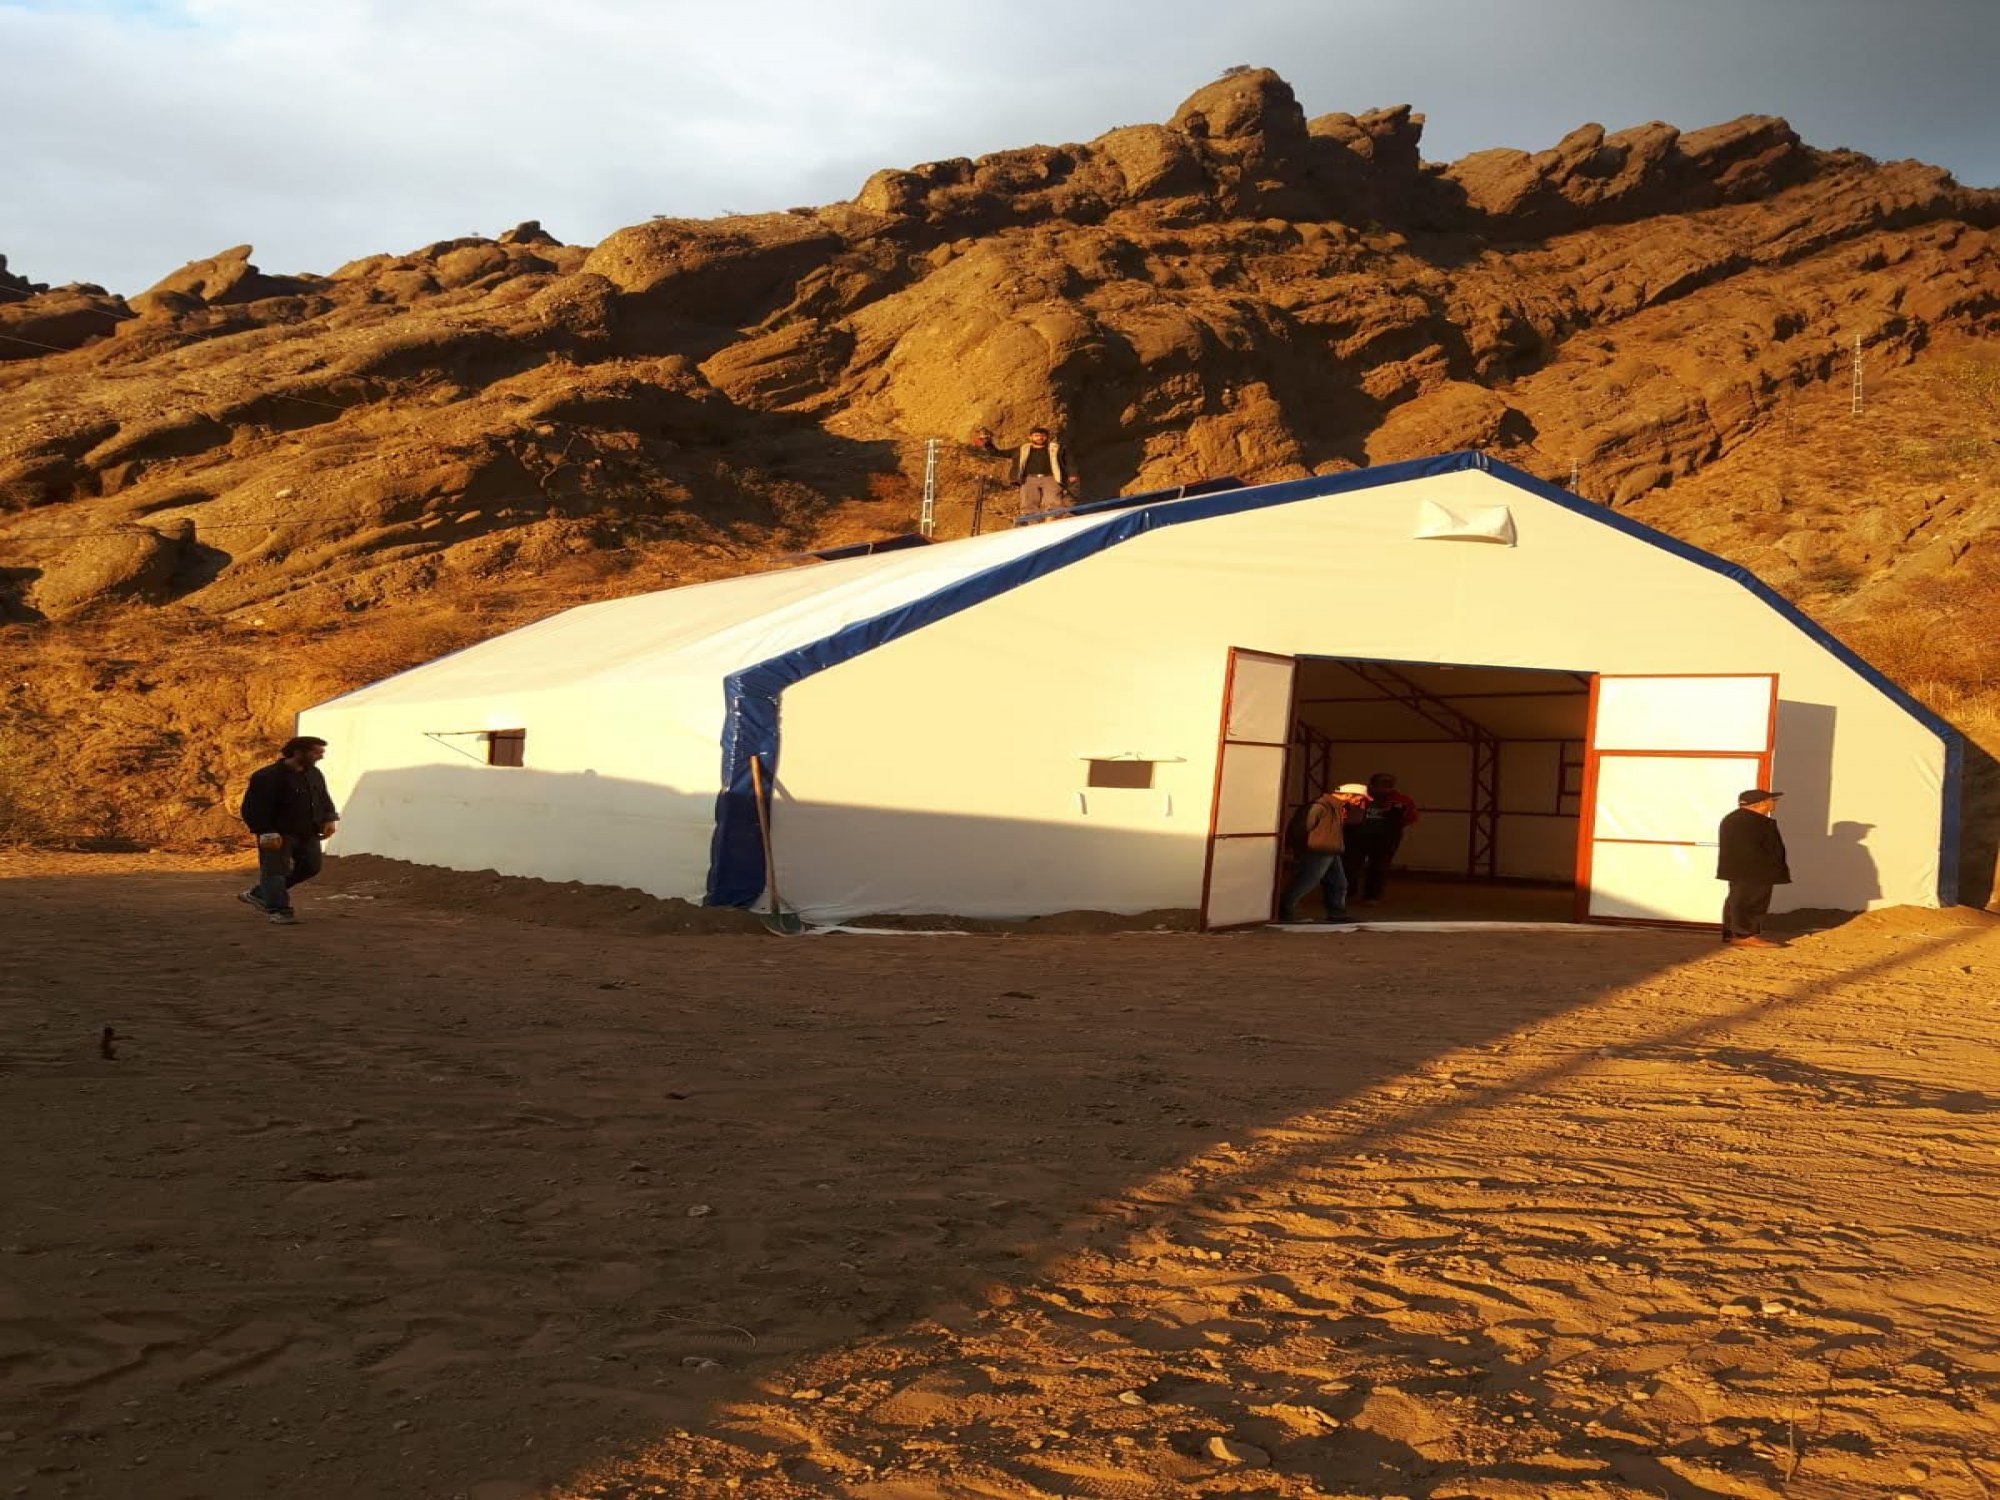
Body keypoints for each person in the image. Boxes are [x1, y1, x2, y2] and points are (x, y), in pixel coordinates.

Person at [238, 735, 339, 926]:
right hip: (278, 833)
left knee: (311, 867)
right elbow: (252, 807)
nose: (321, 757)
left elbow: (323, 798)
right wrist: (265, 830)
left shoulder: (314, 773)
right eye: (316, 752)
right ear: (298, 752)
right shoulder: (267, 776)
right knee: (275, 871)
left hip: (308, 831)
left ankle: (259, 893)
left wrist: (329, 818)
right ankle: (279, 911)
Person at [1279, 783, 1370, 923]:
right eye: (1360, 798)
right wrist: (1295, 847)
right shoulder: (1320, 806)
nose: (1360, 802)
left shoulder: (1337, 807)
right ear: (1348, 795)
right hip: (1317, 850)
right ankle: (1284, 911)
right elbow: (1301, 827)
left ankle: (1337, 914)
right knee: (1306, 882)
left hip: (1330, 849)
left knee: (1338, 883)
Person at [1717, 788, 1790, 948]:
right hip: (1755, 870)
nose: (1774, 803)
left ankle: (1734, 933)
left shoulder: (1734, 819)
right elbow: (1753, 848)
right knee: (1751, 902)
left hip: (1744, 870)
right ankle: (1745, 935)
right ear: (1761, 803)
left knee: (1738, 900)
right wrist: (1768, 867)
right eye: (1771, 800)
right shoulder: (1754, 821)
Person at [1346, 771, 1420, 904]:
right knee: (1350, 865)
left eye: (1389, 784)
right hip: (1357, 837)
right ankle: (1348, 892)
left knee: (1379, 867)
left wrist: (1395, 827)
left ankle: (1371, 896)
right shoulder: (1357, 797)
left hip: (1386, 839)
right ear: (1372, 785)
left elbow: (1411, 817)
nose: (1386, 787)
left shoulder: (1402, 800)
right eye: (1382, 784)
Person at [1010, 427, 1076, 514]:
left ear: (1047, 437)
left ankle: (1052, 518)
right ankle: (1031, 520)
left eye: (1043, 436)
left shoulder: (1056, 448)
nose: (1040, 438)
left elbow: (1068, 460)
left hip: (1050, 478)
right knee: (1028, 503)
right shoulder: (1022, 449)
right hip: (1029, 479)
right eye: (1036, 436)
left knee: (1053, 502)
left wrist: (1072, 473)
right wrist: (990, 445)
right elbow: (1000, 453)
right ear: (1030, 437)